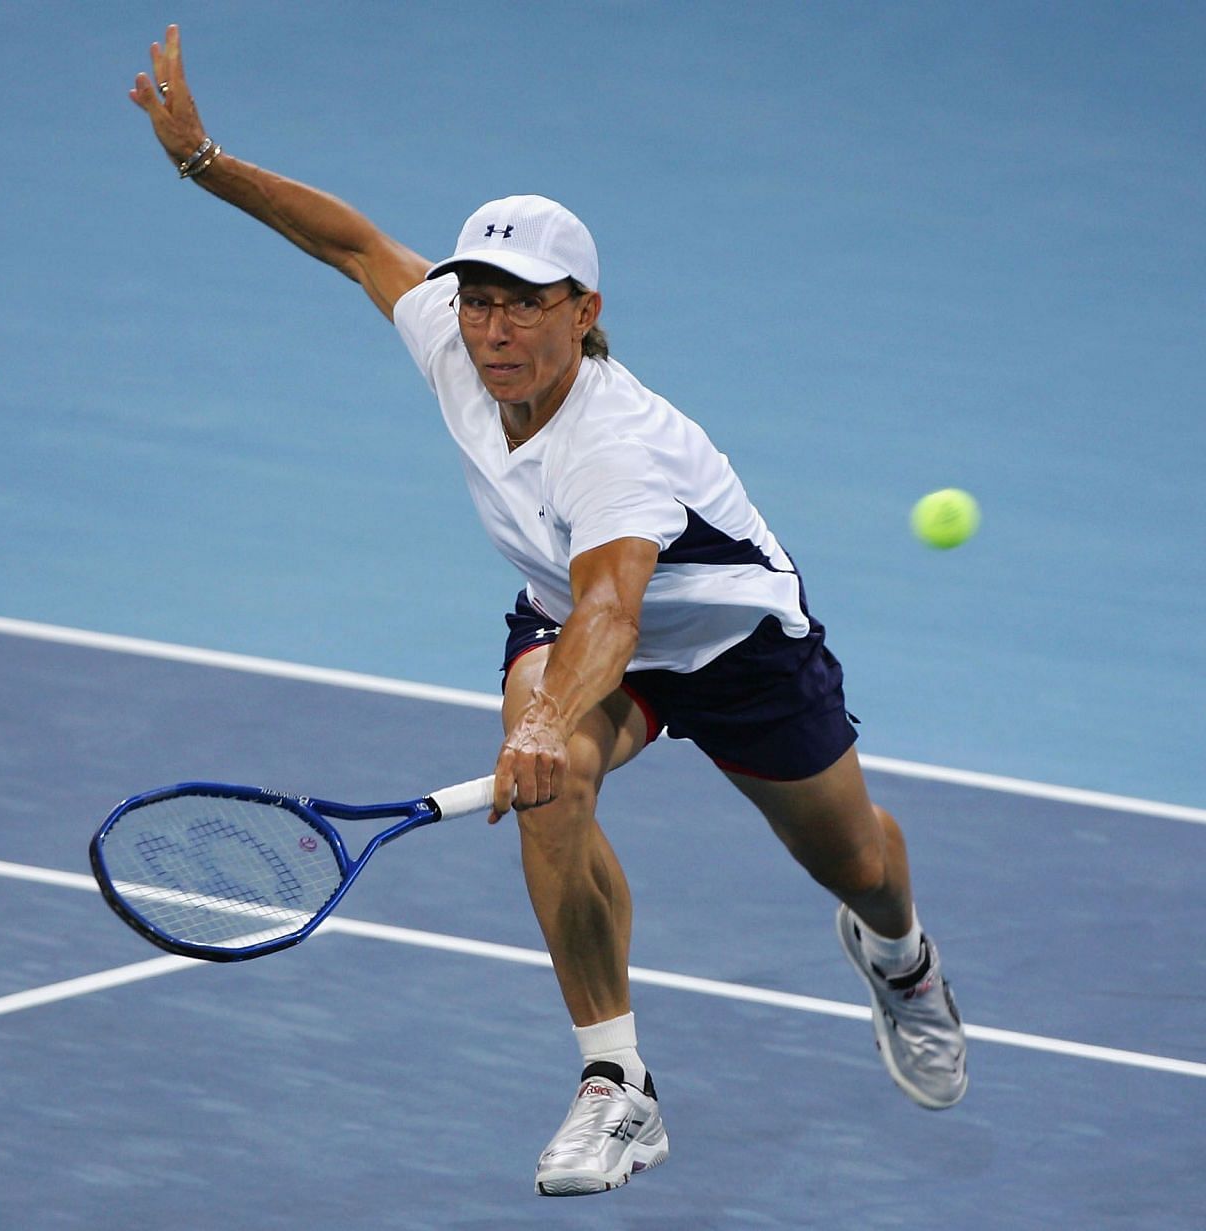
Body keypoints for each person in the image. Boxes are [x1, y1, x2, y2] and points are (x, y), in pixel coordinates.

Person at [129, 25, 967, 1197]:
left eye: (524, 306)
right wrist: (202, 159)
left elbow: (616, 610)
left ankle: (902, 957)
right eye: (478, 300)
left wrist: (539, 721)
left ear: (584, 311)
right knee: (556, 785)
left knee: (858, 861)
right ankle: (617, 1084)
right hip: (563, 616)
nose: (493, 328)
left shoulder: (614, 451)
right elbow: (355, 244)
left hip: (730, 645)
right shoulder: (458, 348)